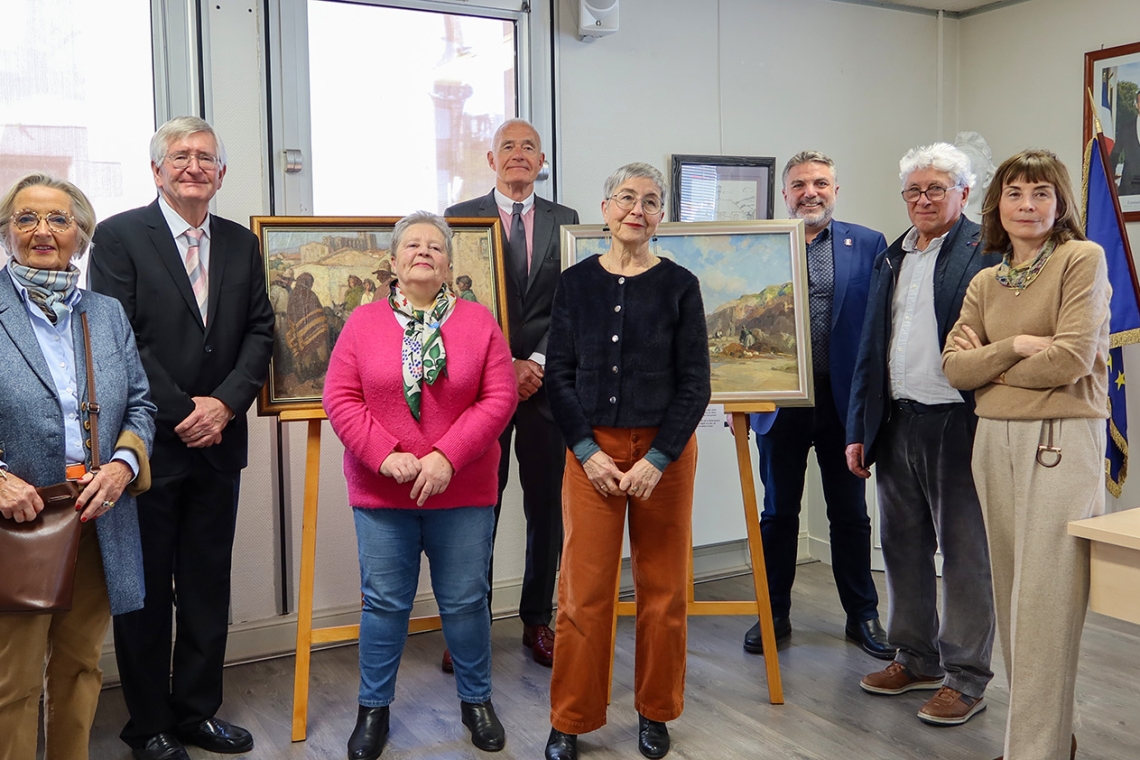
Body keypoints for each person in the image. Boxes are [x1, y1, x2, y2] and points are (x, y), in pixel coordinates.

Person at [90, 116, 274, 760]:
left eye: (206, 158)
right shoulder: (117, 238)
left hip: (219, 445)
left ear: (221, 174)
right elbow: (122, 337)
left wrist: (223, 405)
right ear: (157, 170)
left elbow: (260, 333)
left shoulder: (241, 244)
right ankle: (149, 725)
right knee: (144, 592)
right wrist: (181, 410)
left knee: (205, 585)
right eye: (181, 156)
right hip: (147, 448)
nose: (194, 166)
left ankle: (196, 713)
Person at [323, 211, 517, 760]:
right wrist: (386, 456)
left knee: (465, 599)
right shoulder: (362, 325)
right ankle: (373, 710)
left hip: (463, 489)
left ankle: (476, 701)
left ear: (449, 262)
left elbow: (498, 398)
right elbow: (340, 399)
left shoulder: (480, 322)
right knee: (384, 603)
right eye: (412, 245)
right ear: (393, 261)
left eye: (435, 246)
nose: (423, 252)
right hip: (384, 492)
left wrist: (445, 458)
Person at [943, 149, 1109, 760]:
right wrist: (1012, 344)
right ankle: (1045, 739)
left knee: (1046, 602)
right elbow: (955, 369)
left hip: (1061, 441)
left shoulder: (1080, 260)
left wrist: (993, 375)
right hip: (993, 445)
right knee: (1014, 597)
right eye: (1015, 193)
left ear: (1060, 202)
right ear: (997, 205)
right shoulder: (987, 279)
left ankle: (1032, 750)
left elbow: (1070, 359)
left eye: (1041, 193)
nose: (1028, 205)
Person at [543, 163, 711, 760]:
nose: (636, 210)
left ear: (660, 214)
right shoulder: (576, 284)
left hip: (663, 458)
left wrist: (658, 459)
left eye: (649, 201)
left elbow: (696, 385)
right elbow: (558, 376)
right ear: (606, 207)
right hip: (592, 453)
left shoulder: (680, 285)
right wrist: (587, 452)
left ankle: (655, 711)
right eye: (625, 199)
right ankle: (571, 718)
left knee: (663, 592)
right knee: (582, 593)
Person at [0, 173, 156, 760]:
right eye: (26, 219)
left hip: (99, 515)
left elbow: (140, 404)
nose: (43, 231)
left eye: (58, 219)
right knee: (11, 684)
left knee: (80, 668)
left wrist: (121, 464)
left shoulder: (106, 313)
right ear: (8, 233)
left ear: (81, 235)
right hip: (18, 526)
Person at [846, 142, 997, 727]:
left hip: (961, 423)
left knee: (964, 556)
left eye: (937, 188)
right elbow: (871, 348)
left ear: (964, 193)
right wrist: (862, 426)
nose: (924, 199)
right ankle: (916, 657)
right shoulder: (893, 254)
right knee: (902, 548)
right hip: (897, 421)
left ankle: (966, 678)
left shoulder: (986, 250)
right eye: (914, 190)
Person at [744, 151, 892, 660]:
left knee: (849, 513)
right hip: (781, 401)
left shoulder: (868, 244)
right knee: (778, 512)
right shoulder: (763, 246)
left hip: (843, 402)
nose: (811, 191)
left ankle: (862, 615)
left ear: (835, 189)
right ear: (785, 194)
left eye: (821, 182)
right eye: (801, 184)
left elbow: (880, 327)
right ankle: (773, 612)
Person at [445, 118, 580, 669]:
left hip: (548, 386)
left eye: (529, 147)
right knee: (479, 505)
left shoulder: (566, 221)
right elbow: (455, 307)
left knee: (546, 507)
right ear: (490, 158)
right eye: (508, 147)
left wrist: (538, 362)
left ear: (541, 159)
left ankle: (536, 620)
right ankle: (468, 624)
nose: (519, 155)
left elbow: (572, 300)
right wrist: (507, 364)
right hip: (482, 386)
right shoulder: (457, 220)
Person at [1109, 89, 1140, 195]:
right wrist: (1109, 179)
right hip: (1129, 188)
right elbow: (1114, 155)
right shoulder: (1125, 129)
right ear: (1136, 105)